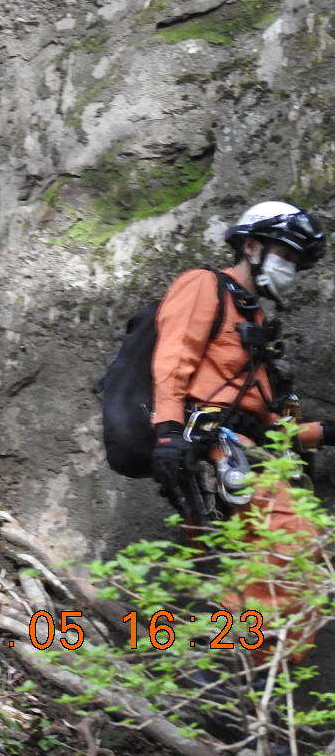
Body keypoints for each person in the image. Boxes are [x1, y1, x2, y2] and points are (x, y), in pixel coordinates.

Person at [150, 201, 329, 662]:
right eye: (283, 256)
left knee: (304, 566)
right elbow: (173, 360)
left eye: (295, 262)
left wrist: (324, 432)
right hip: (211, 447)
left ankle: (249, 687)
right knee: (295, 535)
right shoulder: (204, 286)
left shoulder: (256, 323)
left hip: (249, 451)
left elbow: (270, 426)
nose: (289, 269)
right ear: (251, 246)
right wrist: (168, 432)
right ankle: (213, 657)